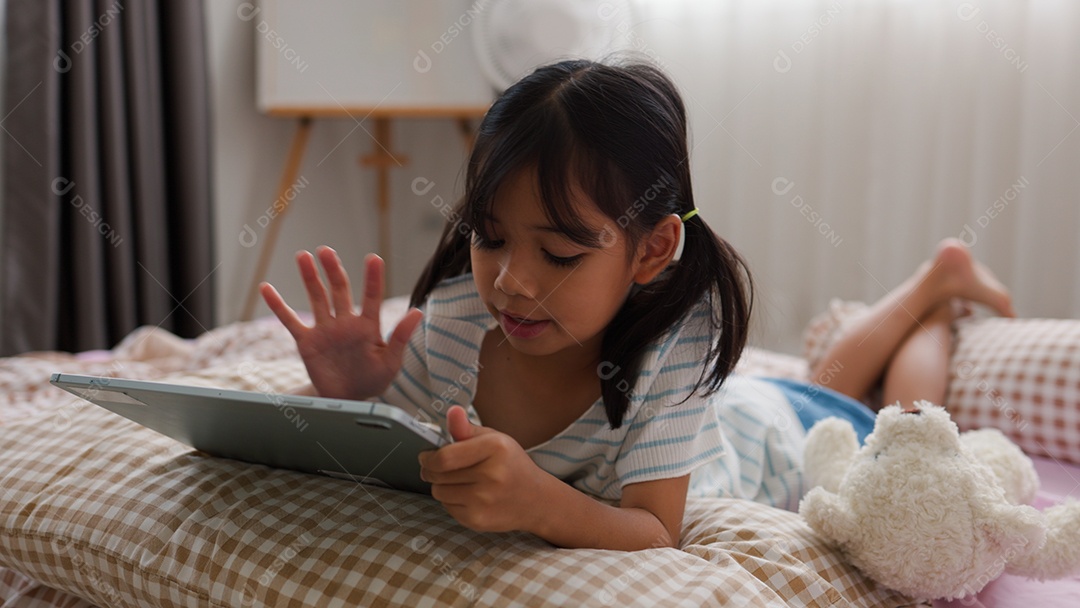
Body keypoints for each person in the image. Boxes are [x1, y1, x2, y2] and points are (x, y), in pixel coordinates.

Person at [259, 59, 1014, 551]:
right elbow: (401, 439)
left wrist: (537, 500)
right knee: (829, 374)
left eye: (558, 254)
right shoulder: (458, 317)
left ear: (651, 251)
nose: (512, 282)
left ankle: (936, 299)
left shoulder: (675, 345)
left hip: (775, 440)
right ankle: (932, 283)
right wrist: (356, 394)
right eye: (489, 238)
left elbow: (656, 529)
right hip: (730, 410)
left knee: (905, 426)